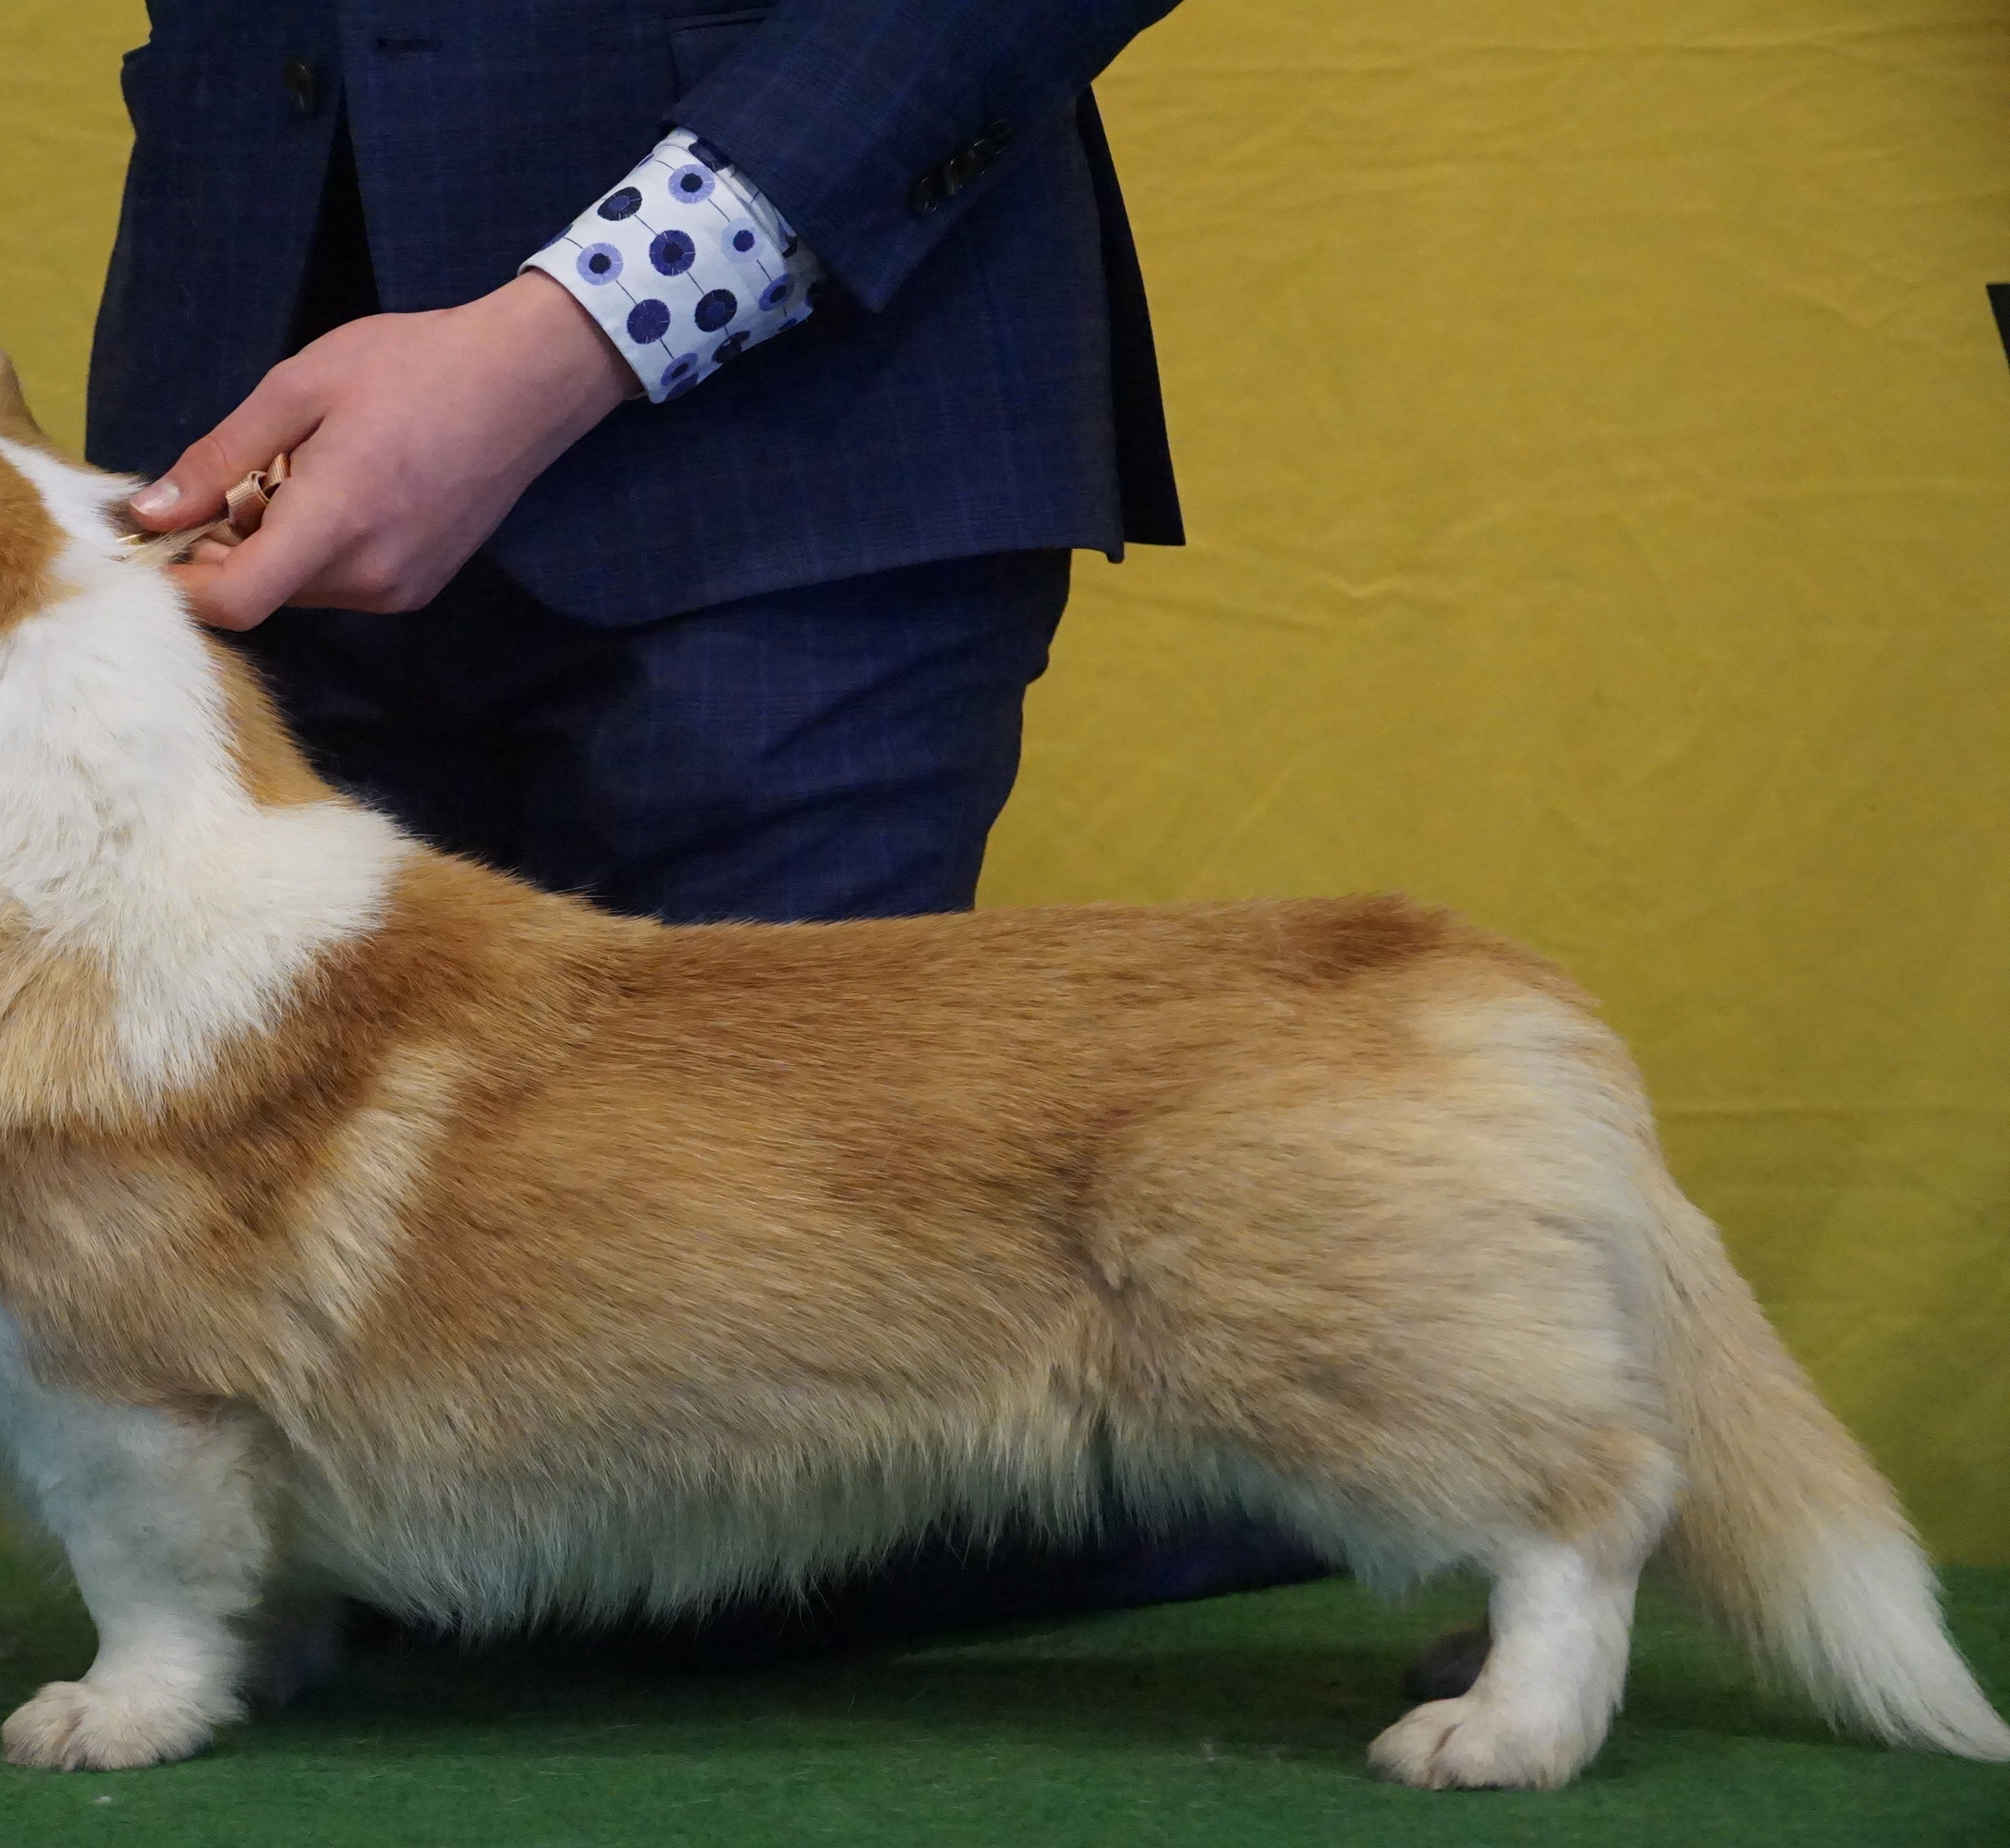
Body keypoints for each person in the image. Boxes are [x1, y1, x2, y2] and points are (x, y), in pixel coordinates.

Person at [85, 2, 1334, 1656]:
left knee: (697, 1539)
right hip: (252, 406)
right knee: (385, 1524)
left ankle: (1414, 1422)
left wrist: (568, 331)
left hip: (807, 423)